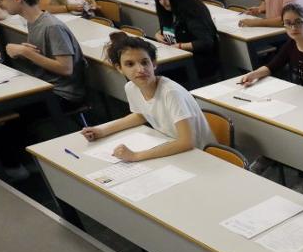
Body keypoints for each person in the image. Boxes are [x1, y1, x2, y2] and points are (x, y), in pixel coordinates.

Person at [80, 34, 214, 159]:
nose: (140, 69)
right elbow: (141, 114)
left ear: (154, 64)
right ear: (119, 68)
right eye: (130, 64)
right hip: (172, 147)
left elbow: (186, 142)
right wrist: (102, 131)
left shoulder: (171, 92)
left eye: (145, 62)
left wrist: (136, 156)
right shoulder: (131, 87)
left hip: (199, 155)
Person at [0, 0, 85, 109]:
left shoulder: (52, 26)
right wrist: (24, 53)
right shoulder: (33, 22)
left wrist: (27, 53)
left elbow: (66, 68)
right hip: (46, 86)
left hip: (63, 95)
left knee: (6, 111)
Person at [238, 3, 303, 91]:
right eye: (288, 23)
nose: (293, 28)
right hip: (299, 94)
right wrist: (252, 75)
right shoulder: (291, 45)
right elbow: (272, 67)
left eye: (298, 22)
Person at [152, 0, 220, 82]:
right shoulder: (166, 11)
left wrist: (179, 46)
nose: (162, 2)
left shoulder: (192, 10)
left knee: (156, 74)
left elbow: (206, 42)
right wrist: (158, 34)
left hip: (199, 61)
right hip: (177, 56)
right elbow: (170, 28)